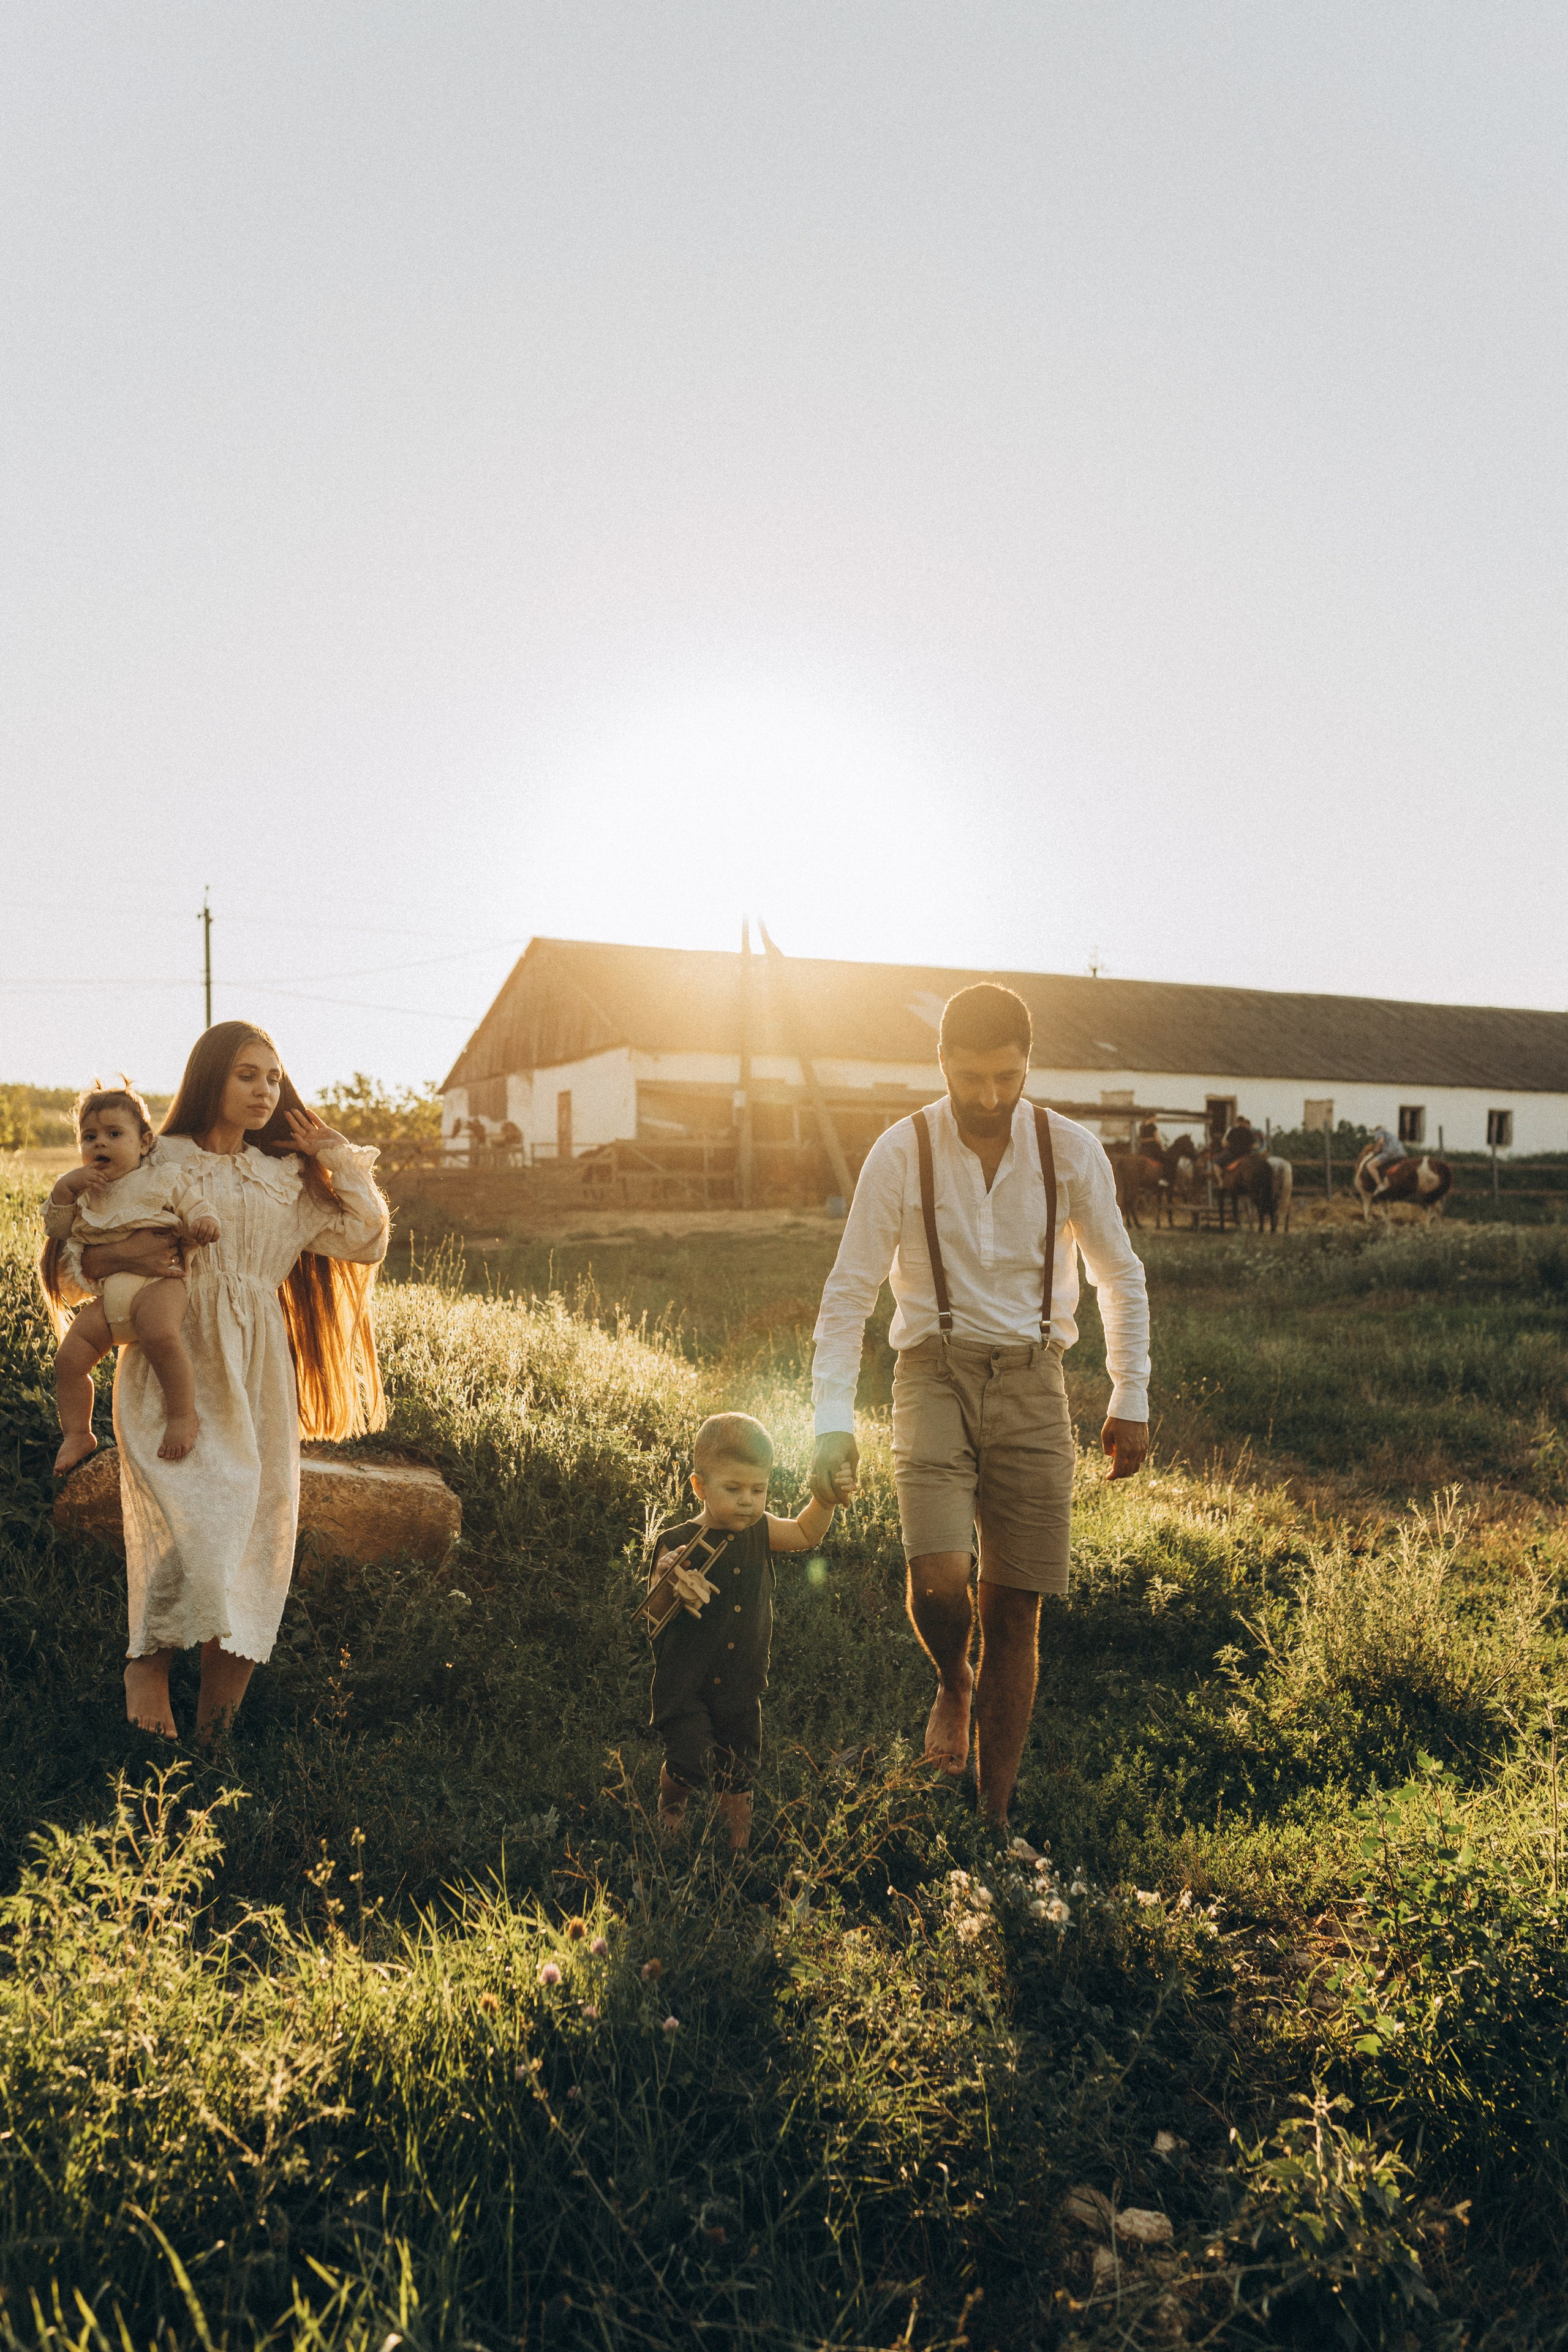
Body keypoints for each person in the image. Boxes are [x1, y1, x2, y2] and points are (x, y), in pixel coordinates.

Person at [809, 982, 1150, 1833]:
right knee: (941, 1578)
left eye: (1008, 1076)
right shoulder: (901, 1151)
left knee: (1016, 1604)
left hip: (1038, 1378)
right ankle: (952, 1680)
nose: (991, 1097)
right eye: (972, 1077)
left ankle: (993, 1816)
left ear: (1029, 1063)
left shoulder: (1069, 1151)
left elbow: (1121, 1274)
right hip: (932, 1372)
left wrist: (1131, 1391)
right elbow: (848, 1294)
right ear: (942, 1065)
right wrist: (830, 1422)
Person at [43, 1022, 390, 1744]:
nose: (264, 1090)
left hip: (259, 1374)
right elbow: (73, 1266)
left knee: (255, 1540)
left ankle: (215, 1740)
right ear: (209, 1078)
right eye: (245, 1075)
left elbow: (366, 1237)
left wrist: (334, 1157)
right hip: (175, 1375)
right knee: (201, 1523)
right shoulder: (151, 1157)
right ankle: (148, 1666)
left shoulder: (284, 1178)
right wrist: (120, 1260)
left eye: (272, 1076)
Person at [646, 1411, 836, 1851]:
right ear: (700, 1487)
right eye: (734, 1489)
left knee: (737, 1767)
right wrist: (664, 1576)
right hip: (686, 1681)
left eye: (759, 1489)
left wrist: (825, 1500)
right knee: (688, 1759)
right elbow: (653, 1616)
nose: (749, 1501)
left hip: (741, 1679)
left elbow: (807, 1533)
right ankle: (671, 1807)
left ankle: (738, 1842)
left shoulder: (762, 1530)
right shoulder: (677, 1543)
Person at [43, 1085, 223, 1472]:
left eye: (113, 1134)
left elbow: (193, 1204)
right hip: (109, 1296)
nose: (99, 1144)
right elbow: (57, 1229)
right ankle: (78, 1432)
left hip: (160, 1284)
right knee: (69, 1361)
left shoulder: (162, 1179)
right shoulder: (84, 1192)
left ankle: (182, 1415)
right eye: (89, 1137)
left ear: (144, 1143)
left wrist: (204, 1221)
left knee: (160, 1334)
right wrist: (64, 1190)